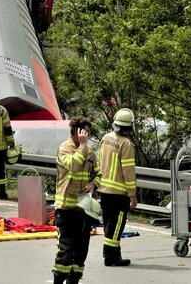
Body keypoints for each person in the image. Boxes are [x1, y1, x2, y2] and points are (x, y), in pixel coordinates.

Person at [52, 116, 100, 284]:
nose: (87, 135)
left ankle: (74, 281)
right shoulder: (65, 148)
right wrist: (82, 146)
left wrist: (94, 184)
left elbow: (99, 173)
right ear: (77, 132)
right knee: (65, 252)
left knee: (81, 252)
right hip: (66, 209)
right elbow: (73, 165)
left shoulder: (90, 150)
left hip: (84, 210)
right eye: (85, 132)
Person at [97, 108, 138, 267]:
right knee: (116, 226)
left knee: (109, 223)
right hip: (119, 192)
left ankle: (112, 255)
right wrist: (132, 195)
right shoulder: (126, 144)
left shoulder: (105, 138)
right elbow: (128, 171)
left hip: (104, 190)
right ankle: (110, 257)